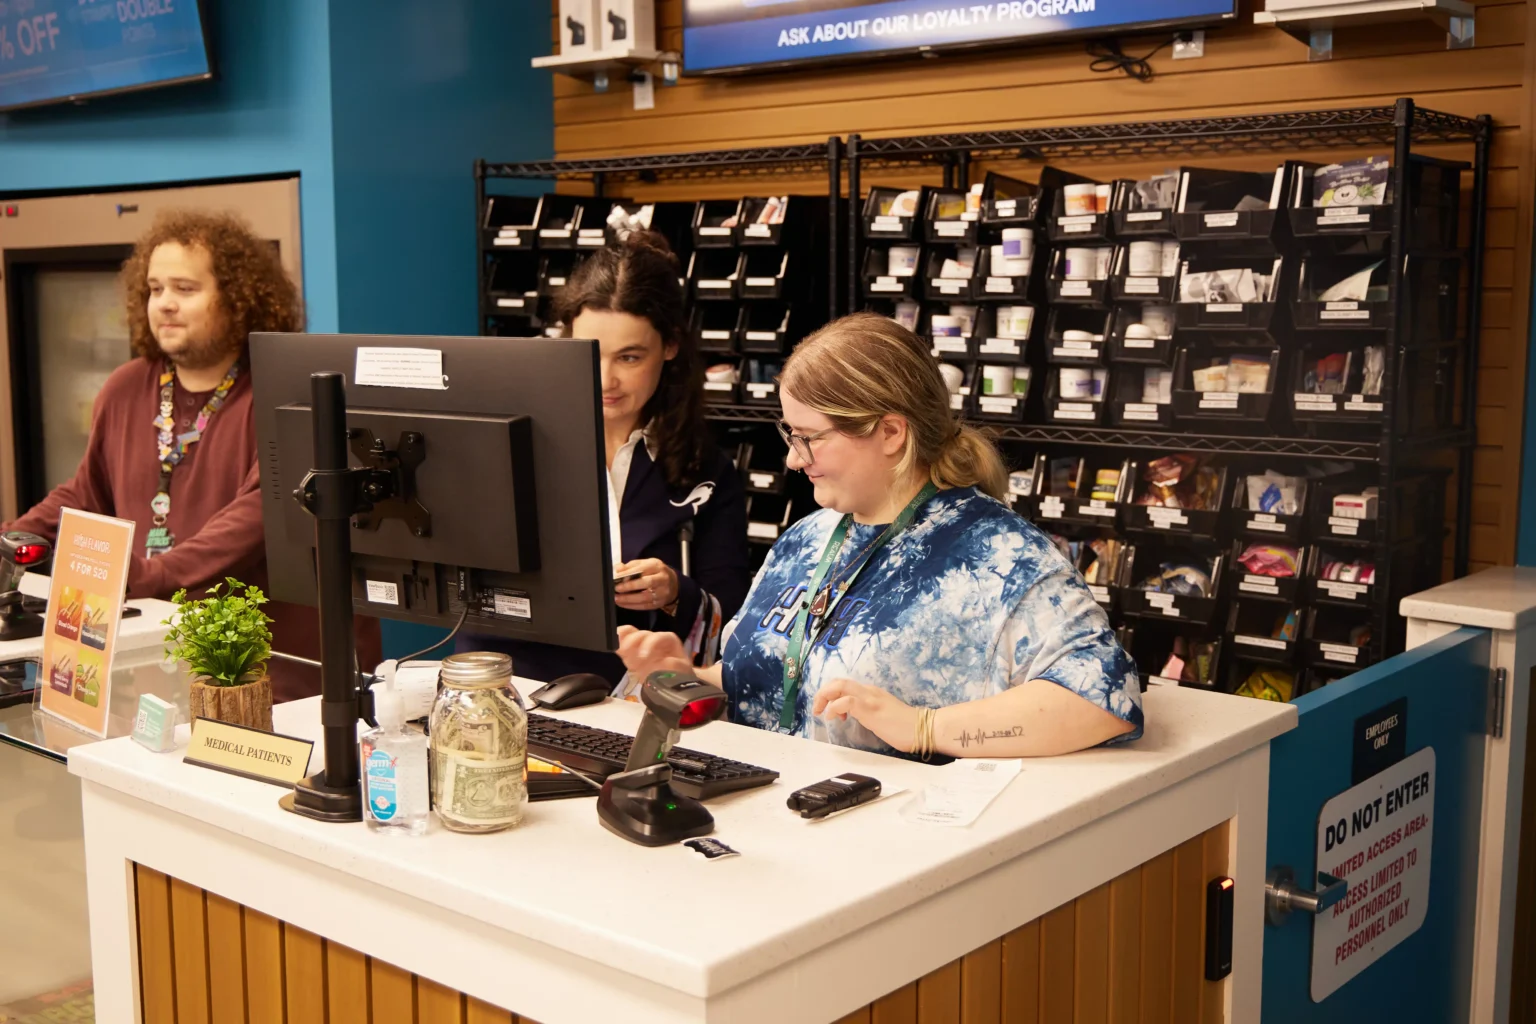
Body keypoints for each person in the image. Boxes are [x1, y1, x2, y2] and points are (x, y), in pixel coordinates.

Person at [617, 312, 1143, 759]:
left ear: (891, 433)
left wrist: (923, 728)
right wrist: (686, 677)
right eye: (789, 434)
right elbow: (777, 686)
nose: (793, 459)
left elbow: (1102, 700)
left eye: (810, 438)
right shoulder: (807, 539)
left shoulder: (1000, 556)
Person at [5, 209, 380, 702]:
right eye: (155, 289)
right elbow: (86, 492)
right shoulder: (125, 388)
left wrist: (154, 575)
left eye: (185, 289)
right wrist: (17, 538)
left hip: (278, 672)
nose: (164, 305)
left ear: (239, 300)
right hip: (158, 654)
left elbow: (260, 516)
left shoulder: (286, 395)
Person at [460, 232, 750, 688]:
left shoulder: (706, 470)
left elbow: (733, 620)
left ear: (670, 347)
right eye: (589, 353)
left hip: (631, 703)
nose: (605, 380)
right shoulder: (513, 445)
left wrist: (675, 590)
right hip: (510, 684)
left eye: (630, 357)